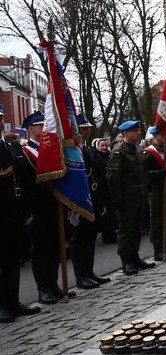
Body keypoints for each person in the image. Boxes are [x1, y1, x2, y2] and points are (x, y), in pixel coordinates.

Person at [21, 112, 73, 303]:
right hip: (38, 207)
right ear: (31, 129)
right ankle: (42, 288)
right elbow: (28, 182)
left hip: (54, 204)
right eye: (40, 126)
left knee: (54, 247)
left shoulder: (50, 150)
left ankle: (53, 284)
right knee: (40, 250)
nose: (44, 129)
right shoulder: (26, 152)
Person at [0, 114, 41, 321]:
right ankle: (2, 306)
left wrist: (28, 207)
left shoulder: (11, 145)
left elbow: (23, 178)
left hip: (15, 210)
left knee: (14, 258)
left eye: (0, 118)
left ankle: (14, 302)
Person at [107, 120, 156, 275]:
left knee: (137, 228)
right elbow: (113, 177)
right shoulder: (118, 151)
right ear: (125, 133)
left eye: (138, 130)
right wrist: (117, 198)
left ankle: (135, 256)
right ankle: (126, 260)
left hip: (139, 195)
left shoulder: (136, 148)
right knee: (126, 230)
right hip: (126, 197)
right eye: (135, 131)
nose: (139, 133)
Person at [69, 114, 109, 289]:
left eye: (88, 127)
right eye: (83, 127)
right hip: (79, 198)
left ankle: (89, 271)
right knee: (79, 238)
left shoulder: (87, 149)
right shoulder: (72, 150)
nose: (87, 130)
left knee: (90, 236)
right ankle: (81, 275)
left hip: (93, 196)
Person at [142, 127, 166, 262]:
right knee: (158, 220)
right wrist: (158, 174)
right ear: (155, 135)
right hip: (156, 191)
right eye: (163, 135)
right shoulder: (149, 153)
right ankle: (157, 249)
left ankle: (165, 246)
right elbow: (144, 174)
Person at [90, 138, 118, 244]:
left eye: (106, 146)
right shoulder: (94, 157)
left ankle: (112, 233)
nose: (104, 148)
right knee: (105, 213)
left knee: (112, 212)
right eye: (102, 145)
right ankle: (107, 235)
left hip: (110, 188)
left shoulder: (111, 156)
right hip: (100, 189)